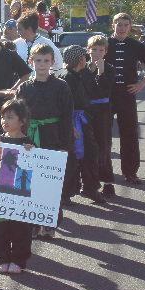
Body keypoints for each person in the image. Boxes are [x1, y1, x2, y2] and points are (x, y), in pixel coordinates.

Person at [16, 44, 74, 238]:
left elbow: (67, 116)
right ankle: (32, 223)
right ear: (31, 62)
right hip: (29, 138)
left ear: (52, 62)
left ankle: (49, 223)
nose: (42, 65)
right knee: (29, 183)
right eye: (38, 60)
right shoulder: (24, 87)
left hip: (52, 136)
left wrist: (65, 146)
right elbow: (17, 115)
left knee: (50, 183)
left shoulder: (61, 86)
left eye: (46, 61)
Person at [105, 13, 145, 184]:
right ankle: (103, 173)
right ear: (112, 25)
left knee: (129, 134)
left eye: (125, 25)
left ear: (130, 27)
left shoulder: (135, 45)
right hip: (106, 94)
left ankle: (130, 172)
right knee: (103, 134)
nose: (121, 28)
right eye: (118, 24)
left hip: (127, 94)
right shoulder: (104, 43)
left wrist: (141, 84)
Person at [0, 99, 34, 274]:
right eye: (2, 117)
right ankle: (2, 258)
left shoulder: (28, 143)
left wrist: (32, 152)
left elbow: (35, 168)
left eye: (10, 117)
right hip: (0, 192)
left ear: (22, 121)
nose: (4, 121)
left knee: (20, 227)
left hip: (20, 194)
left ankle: (18, 260)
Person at [58, 46, 106, 204]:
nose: (86, 59)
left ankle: (85, 188)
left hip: (81, 119)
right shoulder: (68, 78)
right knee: (78, 156)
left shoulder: (75, 74)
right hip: (73, 121)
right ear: (80, 60)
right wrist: (71, 127)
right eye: (84, 57)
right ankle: (70, 192)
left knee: (86, 154)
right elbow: (67, 104)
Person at [0, 25, 32, 134]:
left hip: (7, 103)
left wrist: (13, 90)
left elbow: (26, 74)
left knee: (6, 134)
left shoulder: (9, 54)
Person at [84, 35, 116, 197]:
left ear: (106, 52)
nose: (97, 53)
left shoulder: (109, 68)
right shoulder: (84, 68)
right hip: (86, 111)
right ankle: (90, 181)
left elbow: (105, 89)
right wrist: (89, 72)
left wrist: (101, 71)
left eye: (101, 50)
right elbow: (82, 89)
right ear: (88, 50)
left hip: (103, 112)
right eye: (94, 49)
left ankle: (108, 182)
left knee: (103, 145)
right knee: (88, 147)